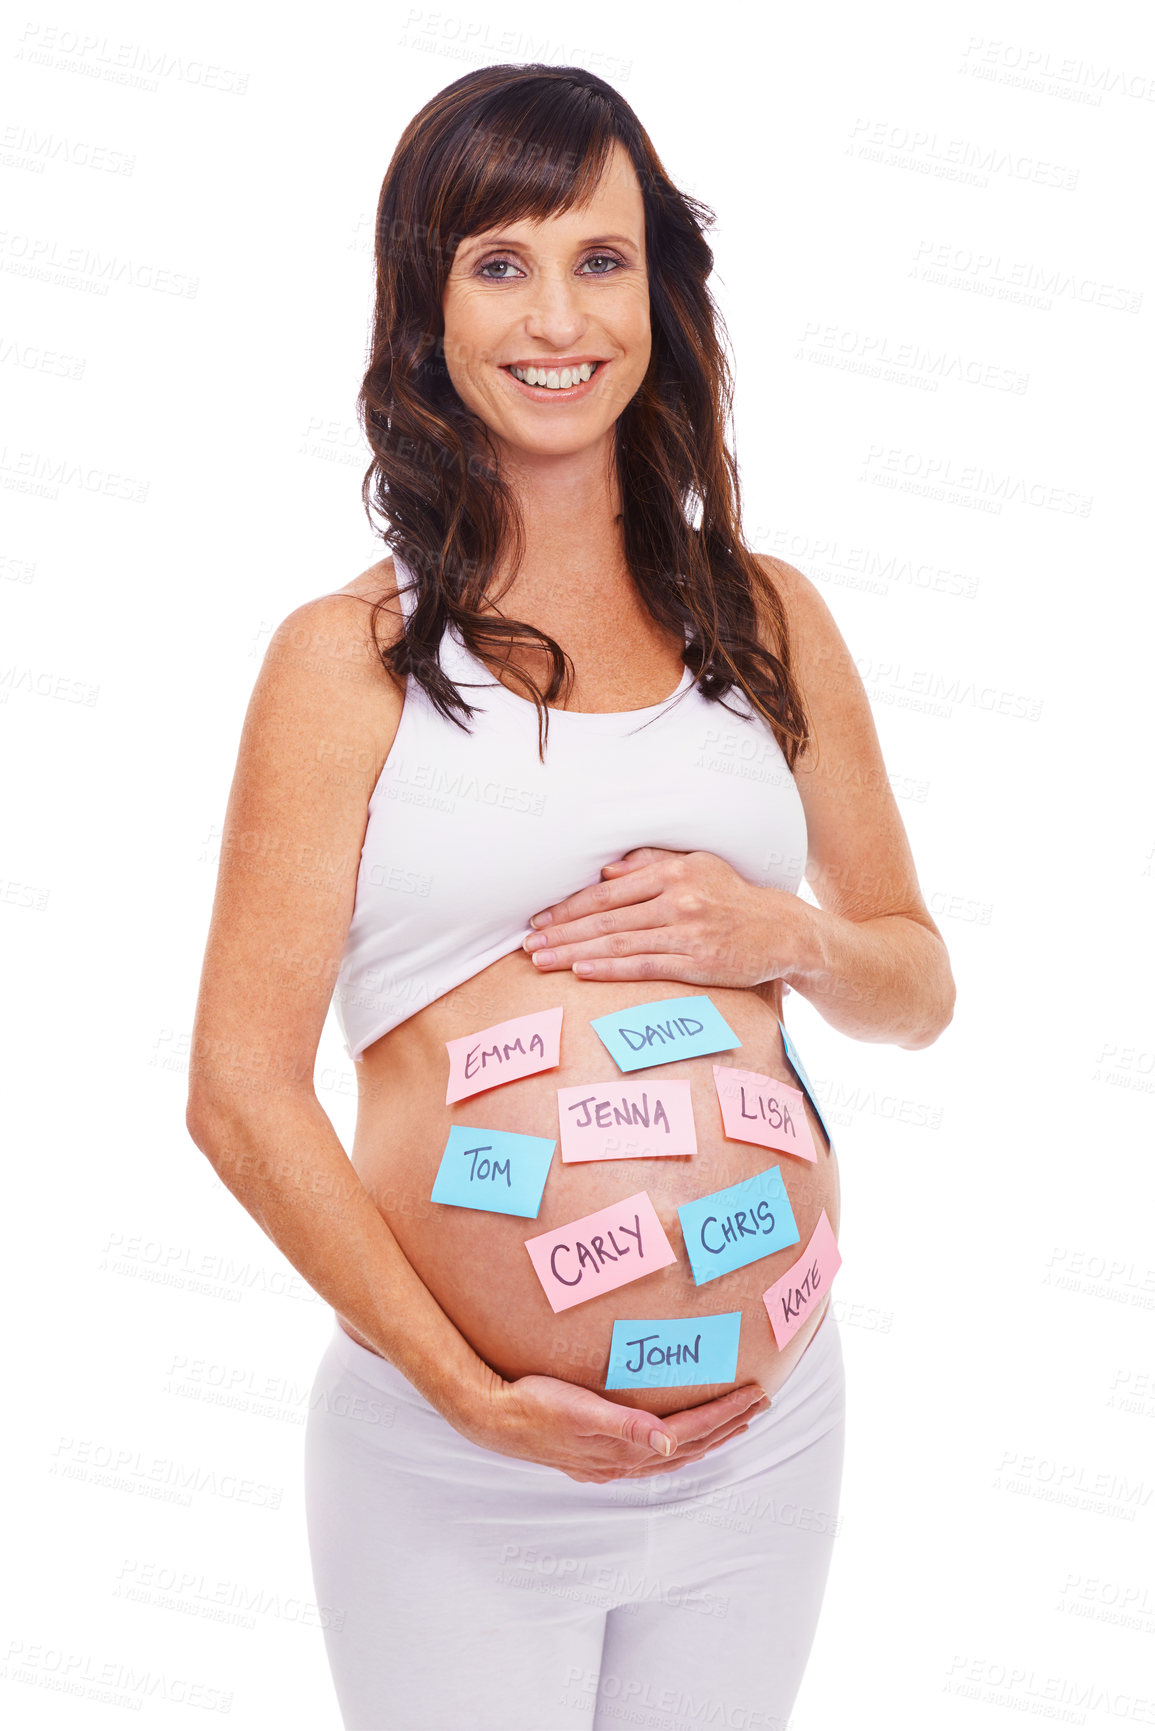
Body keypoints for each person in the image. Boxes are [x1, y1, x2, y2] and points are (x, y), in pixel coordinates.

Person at [186, 63, 955, 1731]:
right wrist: (475, 1396)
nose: (559, 315)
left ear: (660, 297)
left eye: (601, 261)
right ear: (427, 305)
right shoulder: (351, 665)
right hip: (462, 1473)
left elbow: (917, 982)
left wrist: (790, 939)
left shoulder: (772, 619)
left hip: (767, 1444)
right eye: (500, 261)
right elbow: (240, 1098)